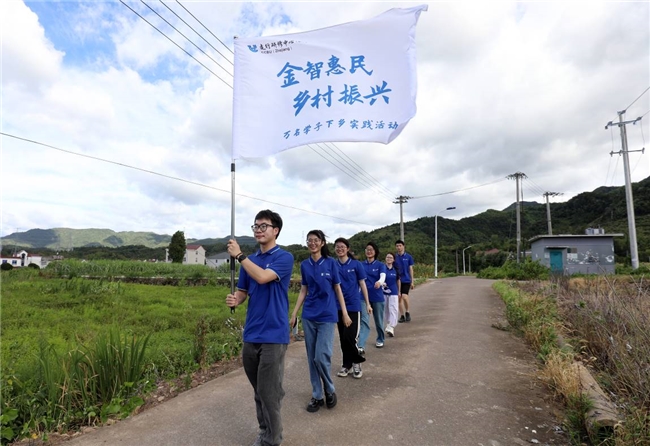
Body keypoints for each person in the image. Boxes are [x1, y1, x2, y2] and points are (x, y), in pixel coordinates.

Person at [225, 210, 294, 446]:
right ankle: (265, 431)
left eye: (264, 226)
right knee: (259, 391)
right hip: (251, 333)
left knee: (269, 393)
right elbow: (245, 290)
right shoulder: (250, 260)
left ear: (276, 230)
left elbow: (264, 277)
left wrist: (240, 256)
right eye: (255, 226)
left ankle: (273, 440)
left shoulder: (284, 257)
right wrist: (237, 298)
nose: (258, 229)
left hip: (274, 334)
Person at [290, 230, 352, 413]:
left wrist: (345, 313)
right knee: (311, 358)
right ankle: (317, 394)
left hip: (327, 316)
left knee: (321, 356)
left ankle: (330, 389)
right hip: (309, 316)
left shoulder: (331, 263)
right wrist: (294, 314)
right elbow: (303, 290)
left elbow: (338, 289)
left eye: (316, 240)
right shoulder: (305, 265)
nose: (312, 243)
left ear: (323, 243)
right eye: (309, 240)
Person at [333, 237, 371, 379]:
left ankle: (356, 362)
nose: (340, 249)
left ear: (347, 249)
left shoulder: (356, 265)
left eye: (342, 246)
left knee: (350, 337)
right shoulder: (333, 265)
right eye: (337, 247)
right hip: (338, 306)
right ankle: (346, 365)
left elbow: (362, 285)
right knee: (343, 338)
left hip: (354, 306)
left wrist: (367, 303)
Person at [361, 242, 387, 348]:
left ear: (375, 252)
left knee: (379, 320)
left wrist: (379, 282)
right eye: (367, 249)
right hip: (363, 297)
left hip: (377, 296)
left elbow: (383, 276)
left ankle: (380, 338)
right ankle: (361, 344)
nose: (369, 251)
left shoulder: (380, 265)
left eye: (371, 249)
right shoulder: (361, 264)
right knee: (364, 321)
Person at [395, 239, 415, 323]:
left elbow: (411, 269)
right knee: (399, 298)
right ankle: (402, 315)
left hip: (406, 280)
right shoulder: (394, 257)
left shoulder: (408, 257)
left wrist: (412, 281)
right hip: (397, 281)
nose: (399, 247)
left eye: (400, 246)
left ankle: (407, 312)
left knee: (404, 296)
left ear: (403, 246)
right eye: (397, 246)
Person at [383, 252, 401, 337]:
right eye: (387, 257)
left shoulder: (395, 269)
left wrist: (399, 291)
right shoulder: (382, 268)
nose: (389, 259)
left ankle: (391, 326)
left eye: (390, 257)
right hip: (383, 292)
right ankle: (388, 324)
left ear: (393, 260)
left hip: (393, 292)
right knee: (386, 309)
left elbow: (398, 280)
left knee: (393, 309)